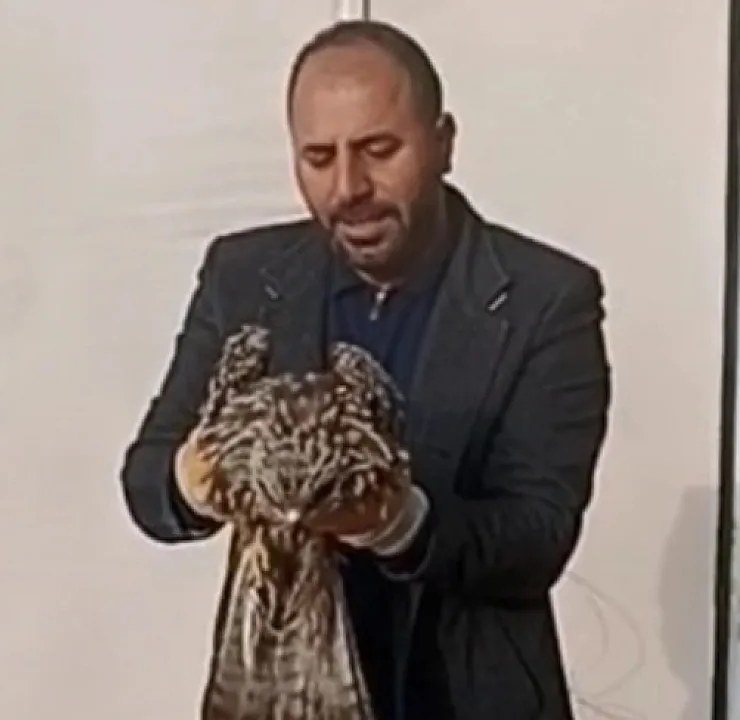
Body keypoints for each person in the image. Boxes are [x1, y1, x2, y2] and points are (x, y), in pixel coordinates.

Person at [120, 18, 611, 720]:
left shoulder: (545, 298)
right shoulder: (244, 276)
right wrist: (202, 477)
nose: (349, 186)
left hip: (464, 694)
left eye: (379, 150)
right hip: (281, 685)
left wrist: (394, 521)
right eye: (319, 158)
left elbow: (537, 536)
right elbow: (147, 484)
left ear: (443, 143)